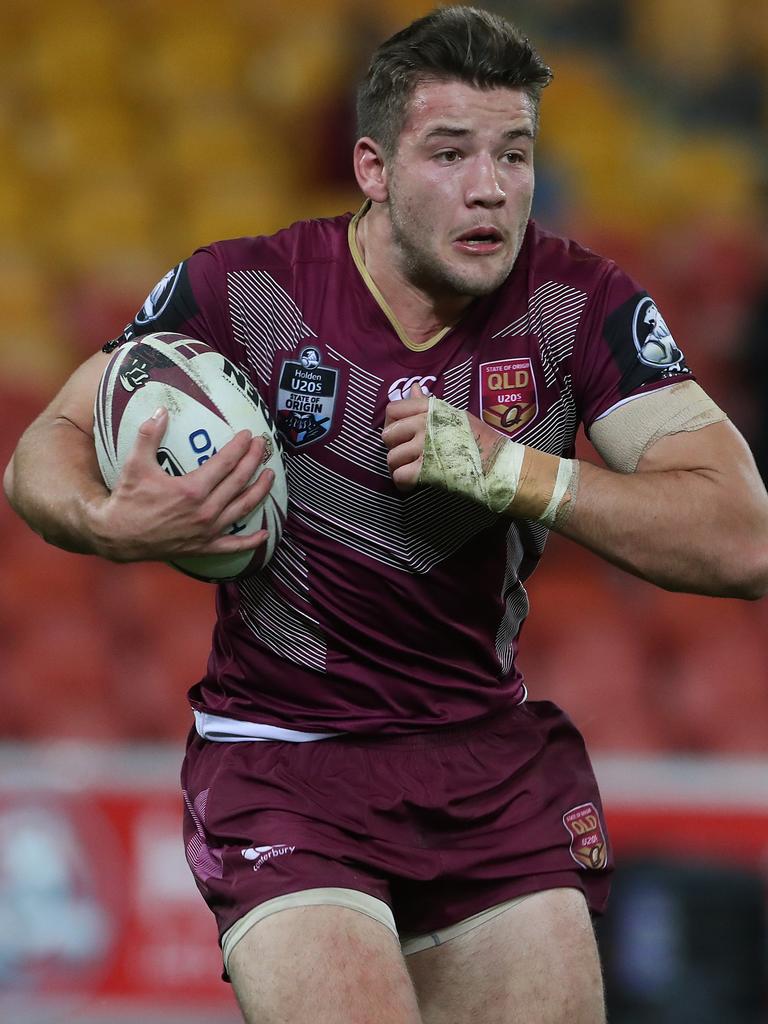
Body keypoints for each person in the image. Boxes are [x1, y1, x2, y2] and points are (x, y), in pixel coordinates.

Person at [5, 8, 768, 1024]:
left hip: (486, 757)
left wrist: (522, 474)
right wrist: (110, 523)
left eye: (514, 152)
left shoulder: (581, 308)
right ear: (372, 167)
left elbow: (744, 536)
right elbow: (40, 448)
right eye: (450, 153)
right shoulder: (245, 289)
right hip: (285, 754)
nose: (489, 185)